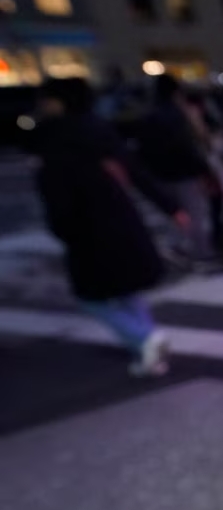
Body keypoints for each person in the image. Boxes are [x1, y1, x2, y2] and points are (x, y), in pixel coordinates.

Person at [32, 77, 186, 377]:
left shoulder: (53, 139)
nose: (42, 105)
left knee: (92, 298)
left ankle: (145, 339)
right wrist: (170, 206)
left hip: (86, 229)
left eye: (46, 99)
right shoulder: (98, 129)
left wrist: (62, 230)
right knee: (126, 289)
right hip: (119, 217)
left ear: (59, 102)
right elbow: (135, 170)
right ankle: (149, 348)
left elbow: (56, 194)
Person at [136, 74, 219, 259]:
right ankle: (201, 251)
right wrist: (204, 170)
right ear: (176, 92)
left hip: (161, 173)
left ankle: (177, 248)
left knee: (175, 213)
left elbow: (143, 149)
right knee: (195, 213)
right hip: (184, 172)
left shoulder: (149, 115)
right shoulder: (176, 114)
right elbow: (186, 146)